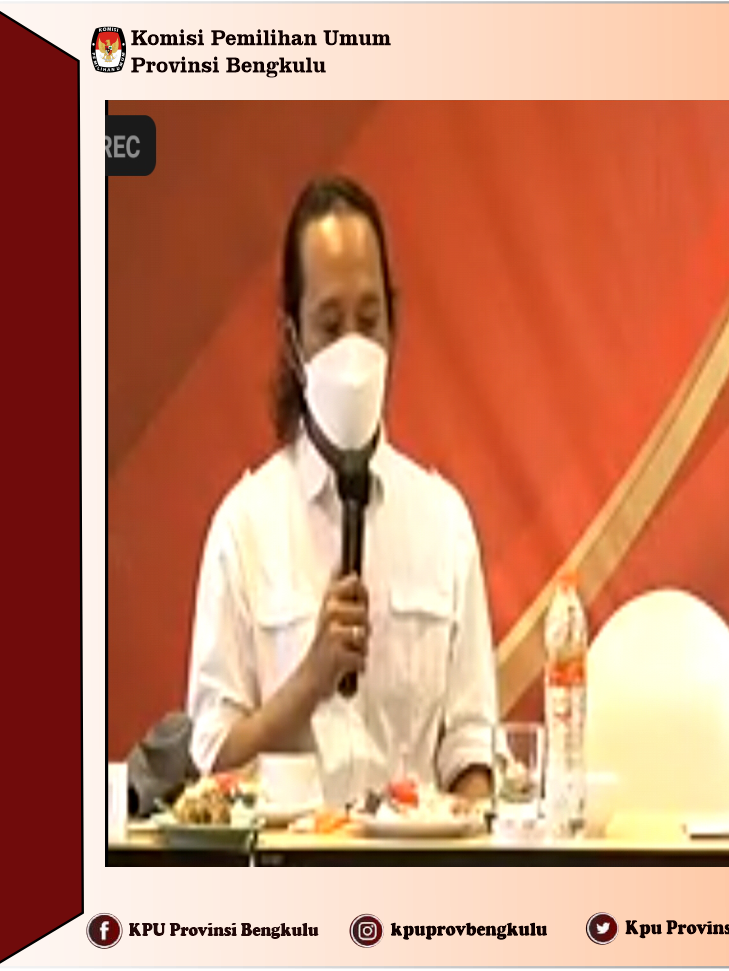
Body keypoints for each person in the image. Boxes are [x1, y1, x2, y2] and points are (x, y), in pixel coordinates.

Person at [186, 175, 497, 804]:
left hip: (418, 864)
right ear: (294, 342)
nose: (353, 349)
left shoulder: (443, 522)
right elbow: (210, 759)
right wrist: (311, 679)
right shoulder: (244, 529)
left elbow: (470, 744)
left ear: (394, 326)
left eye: (369, 321)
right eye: (330, 326)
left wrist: (467, 817)